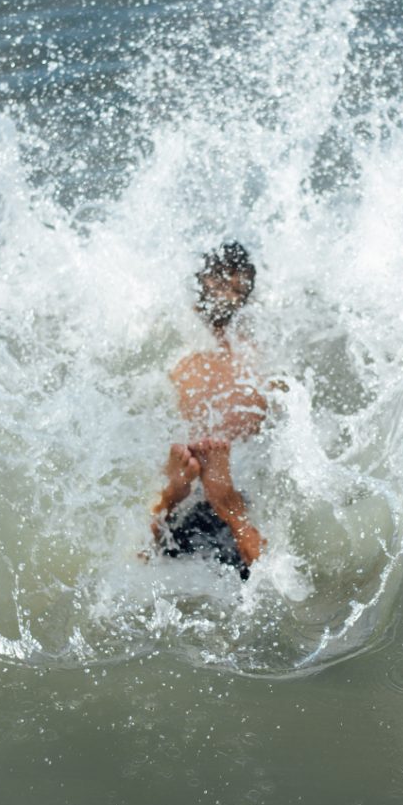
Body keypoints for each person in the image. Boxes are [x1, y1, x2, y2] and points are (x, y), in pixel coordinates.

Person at [149, 242, 268, 578]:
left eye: (233, 285)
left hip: (222, 496)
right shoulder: (175, 353)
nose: (226, 292)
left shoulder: (253, 360)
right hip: (219, 499)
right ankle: (203, 499)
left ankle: (183, 497)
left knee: (152, 551)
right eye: (220, 281)